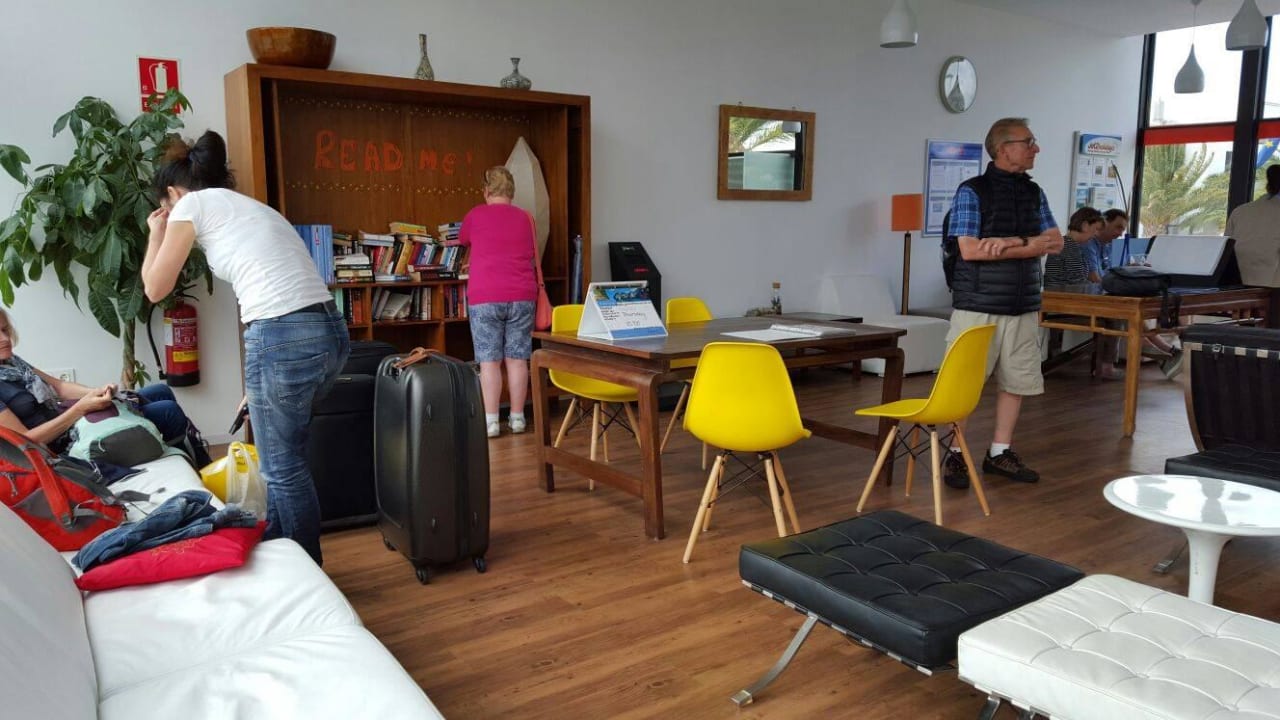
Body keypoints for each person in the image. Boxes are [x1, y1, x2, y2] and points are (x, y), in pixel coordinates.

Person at [142, 130, 349, 565]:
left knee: (282, 466)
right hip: (329, 332)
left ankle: (304, 570)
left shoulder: (191, 205)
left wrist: (155, 233)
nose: (167, 214)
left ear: (174, 193)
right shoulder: (251, 207)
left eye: (166, 205)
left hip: (283, 335)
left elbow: (155, 287)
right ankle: (281, 545)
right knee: (286, 456)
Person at [943, 117, 1063, 489]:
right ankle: (955, 453)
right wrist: (1030, 245)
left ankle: (999, 452)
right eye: (1029, 141)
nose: (1036, 148)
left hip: (1023, 304)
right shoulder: (971, 191)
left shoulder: (1034, 192)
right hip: (977, 306)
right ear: (1002, 147)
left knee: (1017, 382)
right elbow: (970, 250)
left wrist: (1010, 242)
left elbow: (1056, 242)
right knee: (963, 385)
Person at [0, 308, 194, 453]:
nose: (5, 338)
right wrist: (80, 409)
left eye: (5, 330)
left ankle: (172, 451)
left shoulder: (13, 363)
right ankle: (188, 465)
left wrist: (97, 392)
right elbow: (23, 441)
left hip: (65, 418)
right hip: (62, 442)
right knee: (168, 410)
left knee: (160, 391)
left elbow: (59, 387)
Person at [459, 166, 538, 439]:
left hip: (485, 296)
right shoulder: (526, 218)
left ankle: (491, 422)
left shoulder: (475, 215)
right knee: (517, 359)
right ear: (511, 191)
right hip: (522, 295)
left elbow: (464, 239)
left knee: (489, 361)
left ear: (486, 191)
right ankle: (517, 418)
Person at [1225, 164, 1280, 327]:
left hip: (1241, 284)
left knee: (1248, 331)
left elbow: (1226, 247)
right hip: (1274, 286)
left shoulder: (1240, 211)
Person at [1084, 209, 1128, 380]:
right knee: (1120, 314)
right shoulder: (1089, 244)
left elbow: (1110, 274)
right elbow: (1094, 277)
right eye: (1118, 227)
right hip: (1085, 298)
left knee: (1130, 311)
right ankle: (1106, 367)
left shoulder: (1108, 246)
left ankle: (1162, 349)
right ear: (1105, 223)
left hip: (1101, 296)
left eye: (1123, 230)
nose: (1120, 233)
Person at [1044, 206, 1102, 287]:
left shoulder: (1067, 243)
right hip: (1061, 294)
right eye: (1096, 229)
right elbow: (1078, 283)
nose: (1096, 234)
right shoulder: (1070, 247)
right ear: (1084, 225)